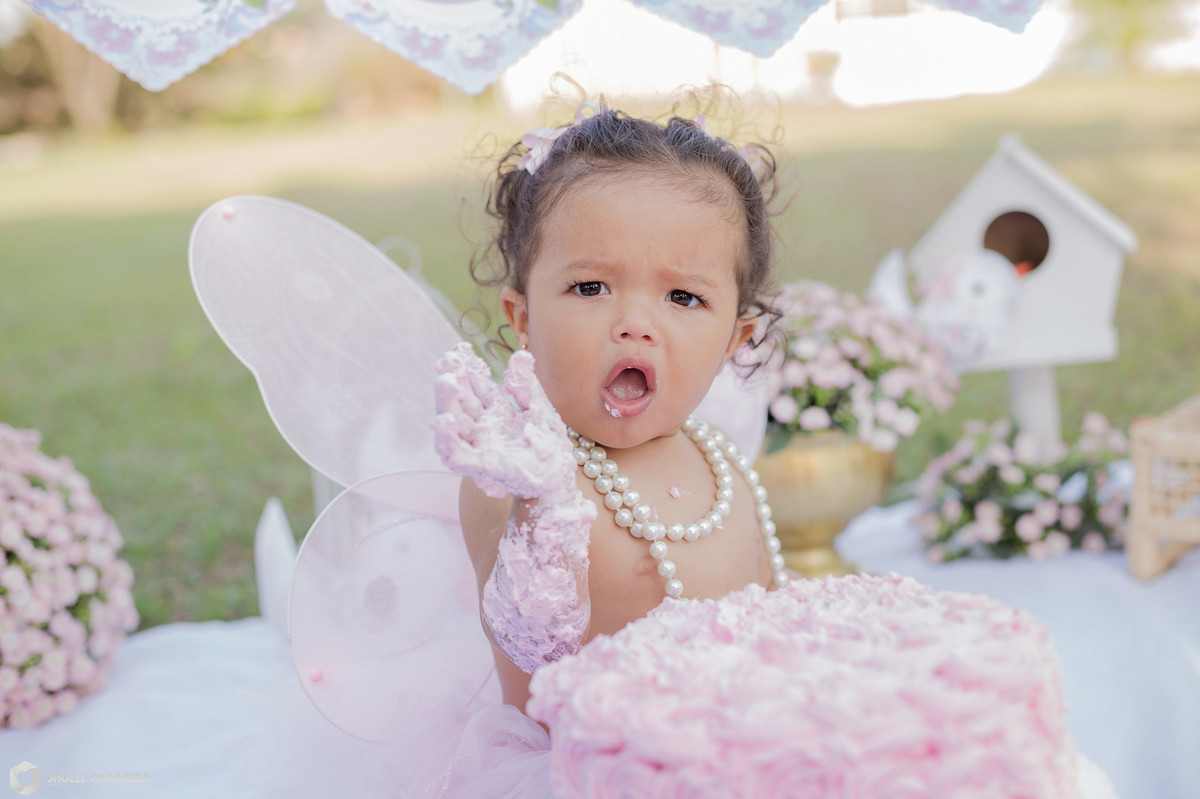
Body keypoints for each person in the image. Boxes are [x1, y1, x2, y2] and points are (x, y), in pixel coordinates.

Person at [430, 98, 788, 788]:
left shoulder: (723, 463)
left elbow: (773, 611)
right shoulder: (513, 475)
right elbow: (530, 642)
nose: (634, 324)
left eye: (683, 298)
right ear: (523, 316)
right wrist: (537, 502)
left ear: (733, 341)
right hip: (583, 765)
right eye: (590, 286)